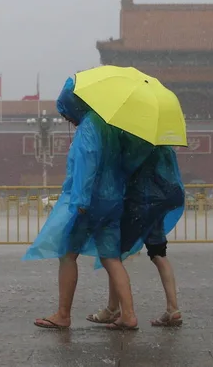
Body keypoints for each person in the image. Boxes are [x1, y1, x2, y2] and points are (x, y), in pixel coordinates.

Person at [23, 77, 138, 330]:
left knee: (67, 254)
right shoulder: (111, 125)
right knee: (111, 258)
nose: (66, 119)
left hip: (90, 202)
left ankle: (63, 314)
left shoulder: (88, 127)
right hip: (112, 200)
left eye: (66, 112)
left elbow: (87, 161)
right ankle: (128, 314)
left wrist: (81, 199)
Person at [87, 140, 186, 328]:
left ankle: (113, 309)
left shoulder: (137, 143)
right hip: (160, 202)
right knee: (158, 253)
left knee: (114, 257)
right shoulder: (164, 146)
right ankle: (173, 309)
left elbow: (123, 170)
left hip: (140, 203)